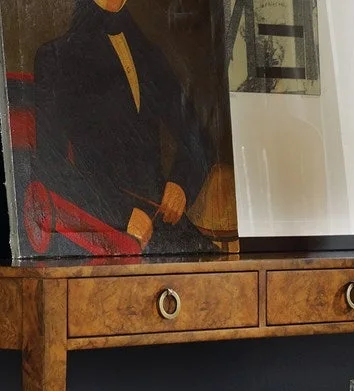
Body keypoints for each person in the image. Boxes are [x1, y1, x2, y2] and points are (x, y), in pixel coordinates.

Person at [33, 0, 216, 253]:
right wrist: (119, 214)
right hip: (102, 224)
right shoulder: (56, 57)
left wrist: (181, 185)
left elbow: (200, 141)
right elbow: (51, 165)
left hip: (161, 222)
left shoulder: (149, 53)